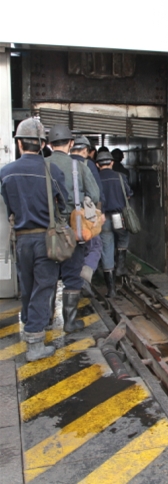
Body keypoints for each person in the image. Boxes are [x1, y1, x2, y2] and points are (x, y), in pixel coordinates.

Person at [0, 118, 67, 362]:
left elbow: (9, 205)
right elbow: (64, 202)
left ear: (19, 144)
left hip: (21, 239)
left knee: (27, 284)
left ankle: (30, 322)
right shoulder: (52, 170)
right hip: (47, 239)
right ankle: (35, 342)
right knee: (44, 286)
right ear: (42, 145)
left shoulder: (6, 173)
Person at [45, 125, 101, 332]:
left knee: (48, 275)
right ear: (70, 144)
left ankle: (47, 319)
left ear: (49, 144)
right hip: (73, 230)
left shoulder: (42, 164)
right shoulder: (80, 167)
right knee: (72, 275)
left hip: (47, 231)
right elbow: (94, 196)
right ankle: (69, 322)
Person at [70, 135, 105, 298]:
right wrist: (98, 216)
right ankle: (84, 277)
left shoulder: (57, 163)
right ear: (85, 150)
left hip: (62, 217)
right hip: (84, 217)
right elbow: (96, 194)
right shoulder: (87, 164)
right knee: (94, 246)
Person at [96, 150, 132, 297]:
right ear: (112, 163)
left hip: (103, 218)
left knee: (106, 249)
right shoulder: (121, 177)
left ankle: (111, 289)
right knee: (123, 238)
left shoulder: (95, 179)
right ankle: (121, 267)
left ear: (97, 165)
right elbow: (129, 195)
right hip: (118, 216)